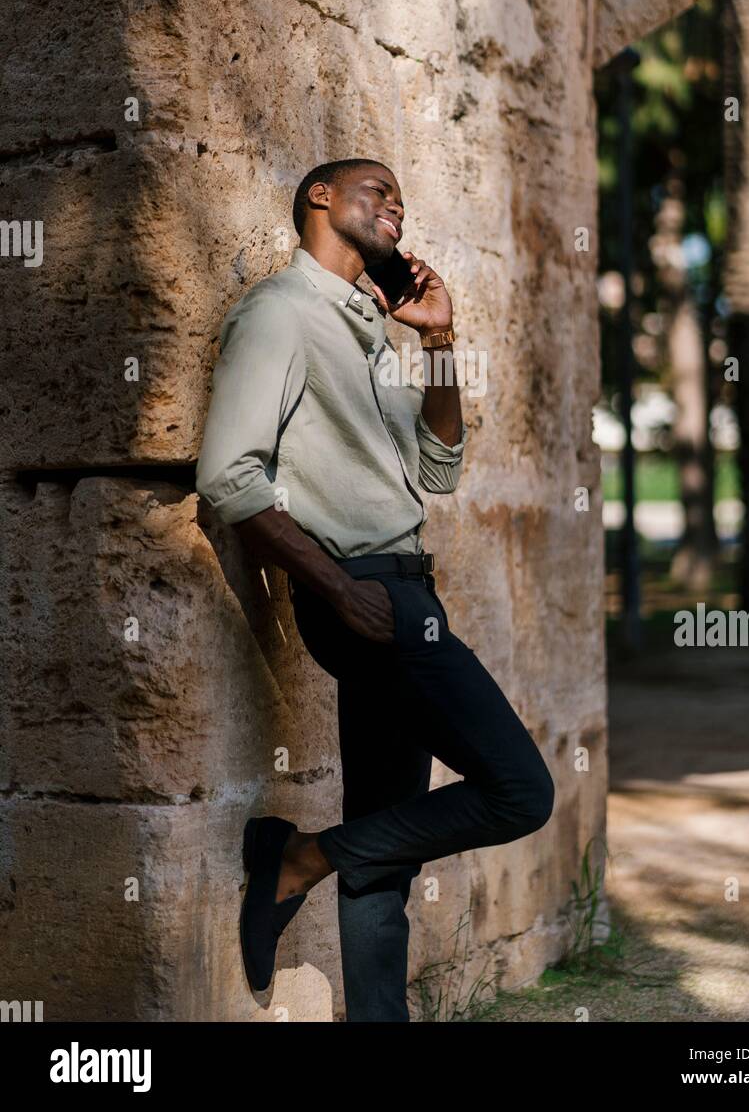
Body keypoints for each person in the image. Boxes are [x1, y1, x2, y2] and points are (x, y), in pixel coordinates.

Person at [195, 158, 555, 1021]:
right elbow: (228, 476)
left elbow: (439, 464)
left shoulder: (368, 330)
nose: (397, 204)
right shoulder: (281, 314)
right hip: (363, 597)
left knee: (384, 860)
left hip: (399, 595)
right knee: (520, 790)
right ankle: (297, 859)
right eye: (377, 189)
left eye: (402, 195)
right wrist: (334, 587)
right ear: (320, 198)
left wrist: (437, 341)